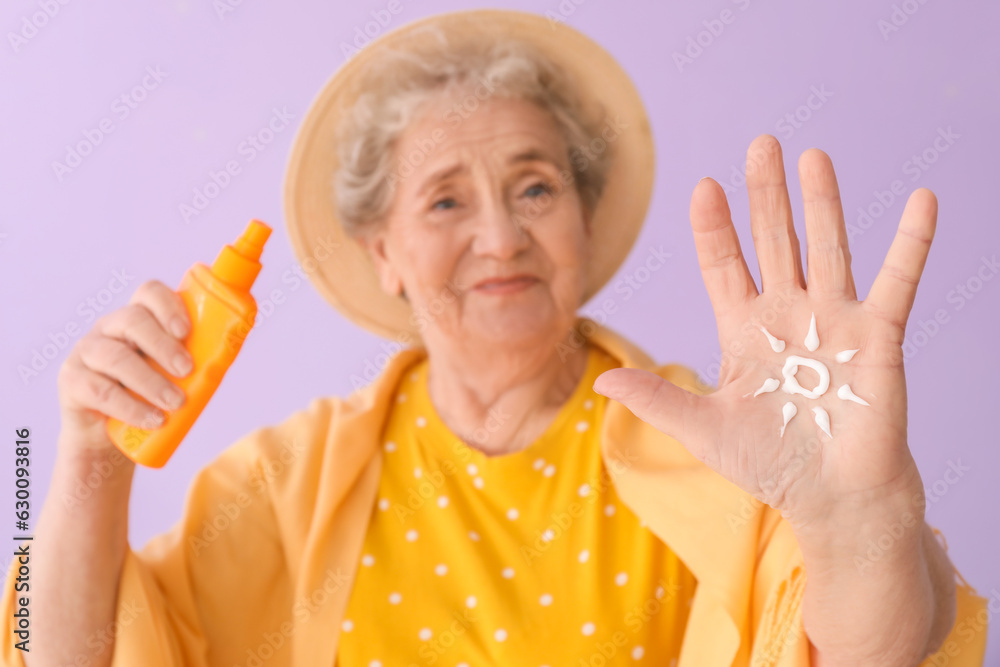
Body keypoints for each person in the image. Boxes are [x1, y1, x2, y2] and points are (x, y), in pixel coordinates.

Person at [2, 8, 988, 667]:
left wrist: (862, 520)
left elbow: (882, 645)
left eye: (534, 186)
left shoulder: (728, 441)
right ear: (380, 250)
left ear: (583, 219)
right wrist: (86, 465)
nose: (500, 235)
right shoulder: (279, 484)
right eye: (443, 199)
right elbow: (51, 645)